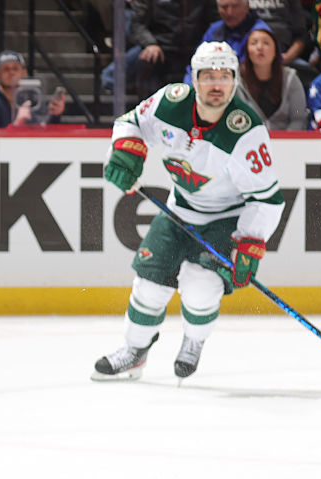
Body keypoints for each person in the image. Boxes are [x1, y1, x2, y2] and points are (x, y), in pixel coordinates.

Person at [93, 41, 285, 381]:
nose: (216, 84)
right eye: (208, 76)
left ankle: (193, 343)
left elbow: (267, 199)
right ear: (194, 79)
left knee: (201, 285)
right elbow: (131, 121)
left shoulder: (248, 132)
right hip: (178, 210)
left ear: (234, 80)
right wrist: (126, 149)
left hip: (225, 220)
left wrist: (250, 242)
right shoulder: (170, 102)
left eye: (224, 76)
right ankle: (135, 351)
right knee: (149, 284)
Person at [123, 0, 217, 100]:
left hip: (196, 50)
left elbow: (215, 21)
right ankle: (150, 109)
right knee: (146, 61)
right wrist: (150, 43)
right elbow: (137, 24)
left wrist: (207, 47)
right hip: (162, 48)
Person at [0, 50, 65, 129]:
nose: (11, 73)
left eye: (15, 68)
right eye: (6, 69)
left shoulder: (24, 102)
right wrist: (17, 125)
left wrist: (54, 115)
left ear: (24, 73)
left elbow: (39, 136)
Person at [236, 27, 308, 129]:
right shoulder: (237, 81)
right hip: (249, 141)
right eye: (254, 43)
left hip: (287, 142)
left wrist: (288, 142)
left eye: (266, 43)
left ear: (276, 51)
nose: (260, 47)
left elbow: (298, 119)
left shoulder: (290, 78)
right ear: (247, 51)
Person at [184, 0, 272, 83]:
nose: (230, 12)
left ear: (247, 6)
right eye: (224, 7)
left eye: (235, 6)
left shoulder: (260, 34)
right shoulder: (214, 30)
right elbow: (195, 65)